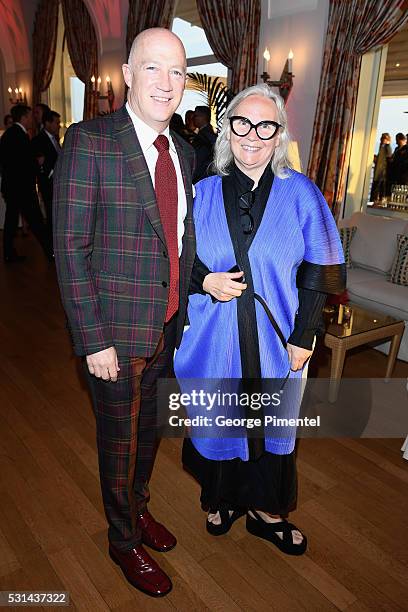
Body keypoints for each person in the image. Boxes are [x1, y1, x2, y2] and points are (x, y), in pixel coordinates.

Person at [174, 84, 346, 555]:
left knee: (271, 426)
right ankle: (223, 499)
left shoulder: (302, 194)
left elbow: (322, 267)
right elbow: (174, 256)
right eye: (242, 123)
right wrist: (205, 280)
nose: (253, 134)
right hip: (216, 338)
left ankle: (266, 512)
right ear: (228, 131)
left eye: (265, 125)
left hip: (277, 341)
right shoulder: (201, 193)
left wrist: (306, 333)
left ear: (279, 135)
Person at [53, 28, 195, 597]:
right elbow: (70, 247)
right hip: (113, 334)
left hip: (166, 327)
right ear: (129, 76)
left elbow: (178, 242)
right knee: (118, 440)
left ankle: (137, 510)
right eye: (153, 69)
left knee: (148, 432)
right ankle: (120, 539)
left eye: (178, 72)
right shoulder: (90, 141)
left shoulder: (183, 152)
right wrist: (92, 339)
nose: (166, 83)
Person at [0, 104, 53, 263]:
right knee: (36, 222)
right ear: (23, 117)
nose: (32, 119)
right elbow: (23, 163)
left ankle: (9, 254)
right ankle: (50, 252)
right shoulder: (19, 135)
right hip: (22, 188)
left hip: (13, 187)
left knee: (11, 222)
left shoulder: (10, 134)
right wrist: (37, 163)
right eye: (30, 116)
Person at [31, 109, 61, 239]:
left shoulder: (55, 138)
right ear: (48, 123)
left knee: (56, 215)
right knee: (51, 215)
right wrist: (53, 172)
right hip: (48, 184)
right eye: (56, 123)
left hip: (57, 183)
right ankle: (51, 246)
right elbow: (38, 162)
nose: (58, 125)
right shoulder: (38, 140)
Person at [191, 105, 217, 182]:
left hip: (203, 176)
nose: (193, 118)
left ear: (203, 117)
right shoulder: (206, 133)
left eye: (196, 116)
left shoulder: (205, 136)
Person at [370, 132, 392, 201]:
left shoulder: (387, 147)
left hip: (381, 173)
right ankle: (374, 201)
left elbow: (388, 158)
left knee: (378, 189)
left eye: (382, 138)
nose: (381, 139)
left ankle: (376, 201)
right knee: (376, 189)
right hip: (378, 172)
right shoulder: (382, 147)